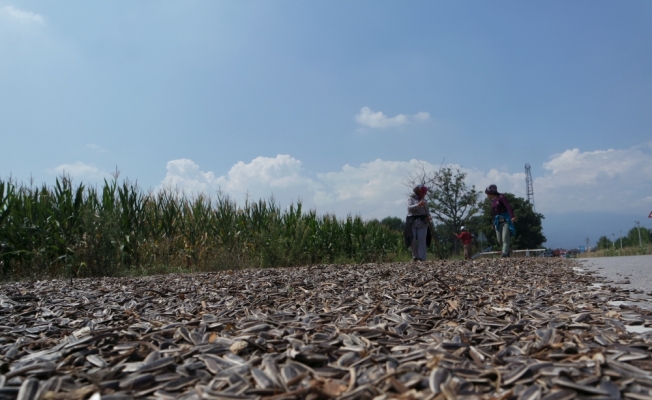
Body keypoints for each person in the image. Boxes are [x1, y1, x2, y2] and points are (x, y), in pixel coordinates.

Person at [485, 184, 516, 258]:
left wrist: (512, 216)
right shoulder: (493, 201)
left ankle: (504, 253)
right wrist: (493, 223)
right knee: (499, 240)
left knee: (505, 237)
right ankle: (507, 250)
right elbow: (494, 213)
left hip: (505, 219)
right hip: (497, 221)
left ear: (491, 193)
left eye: (487, 193)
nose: (487, 195)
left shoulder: (501, 197)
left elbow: (508, 206)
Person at [404, 184, 432, 261]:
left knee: (421, 240)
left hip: (423, 222)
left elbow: (427, 211)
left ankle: (422, 258)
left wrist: (429, 216)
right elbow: (409, 208)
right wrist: (418, 205)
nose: (424, 194)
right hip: (412, 221)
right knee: (412, 239)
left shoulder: (424, 201)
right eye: (423, 192)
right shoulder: (410, 199)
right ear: (418, 191)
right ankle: (415, 256)